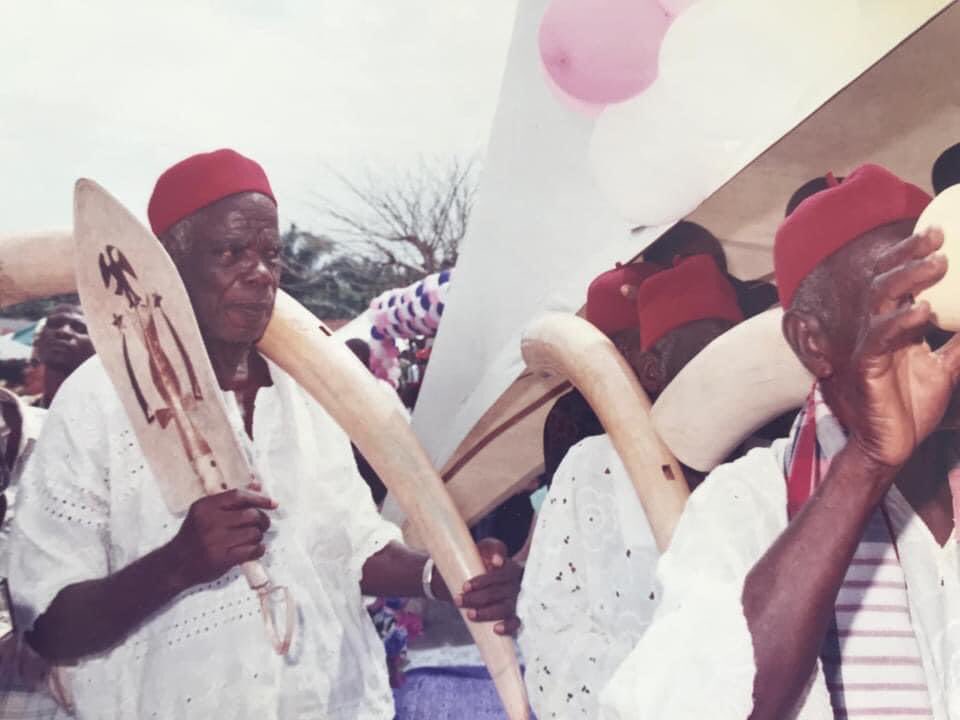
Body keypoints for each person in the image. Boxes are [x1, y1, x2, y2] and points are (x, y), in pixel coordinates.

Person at [6, 149, 522, 719]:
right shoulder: (96, 401)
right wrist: (179, 563)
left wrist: (443, 575)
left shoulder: (308, 391)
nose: (259, 273)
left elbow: (352, 546)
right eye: (230, 252)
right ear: (167, 266)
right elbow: (50, 626)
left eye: (270, 254)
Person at [599, 163, 960, 719]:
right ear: (812, 342)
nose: (927, 328)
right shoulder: (748, 500)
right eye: (895, 307)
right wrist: (865, 464)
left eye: (939, 295)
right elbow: (697, 706)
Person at [518, 254, 745, 719]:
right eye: (705, 355)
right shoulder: (589, 459)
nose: (723, 372)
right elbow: (550, 625)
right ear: (651, 370)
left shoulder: (768, 460)